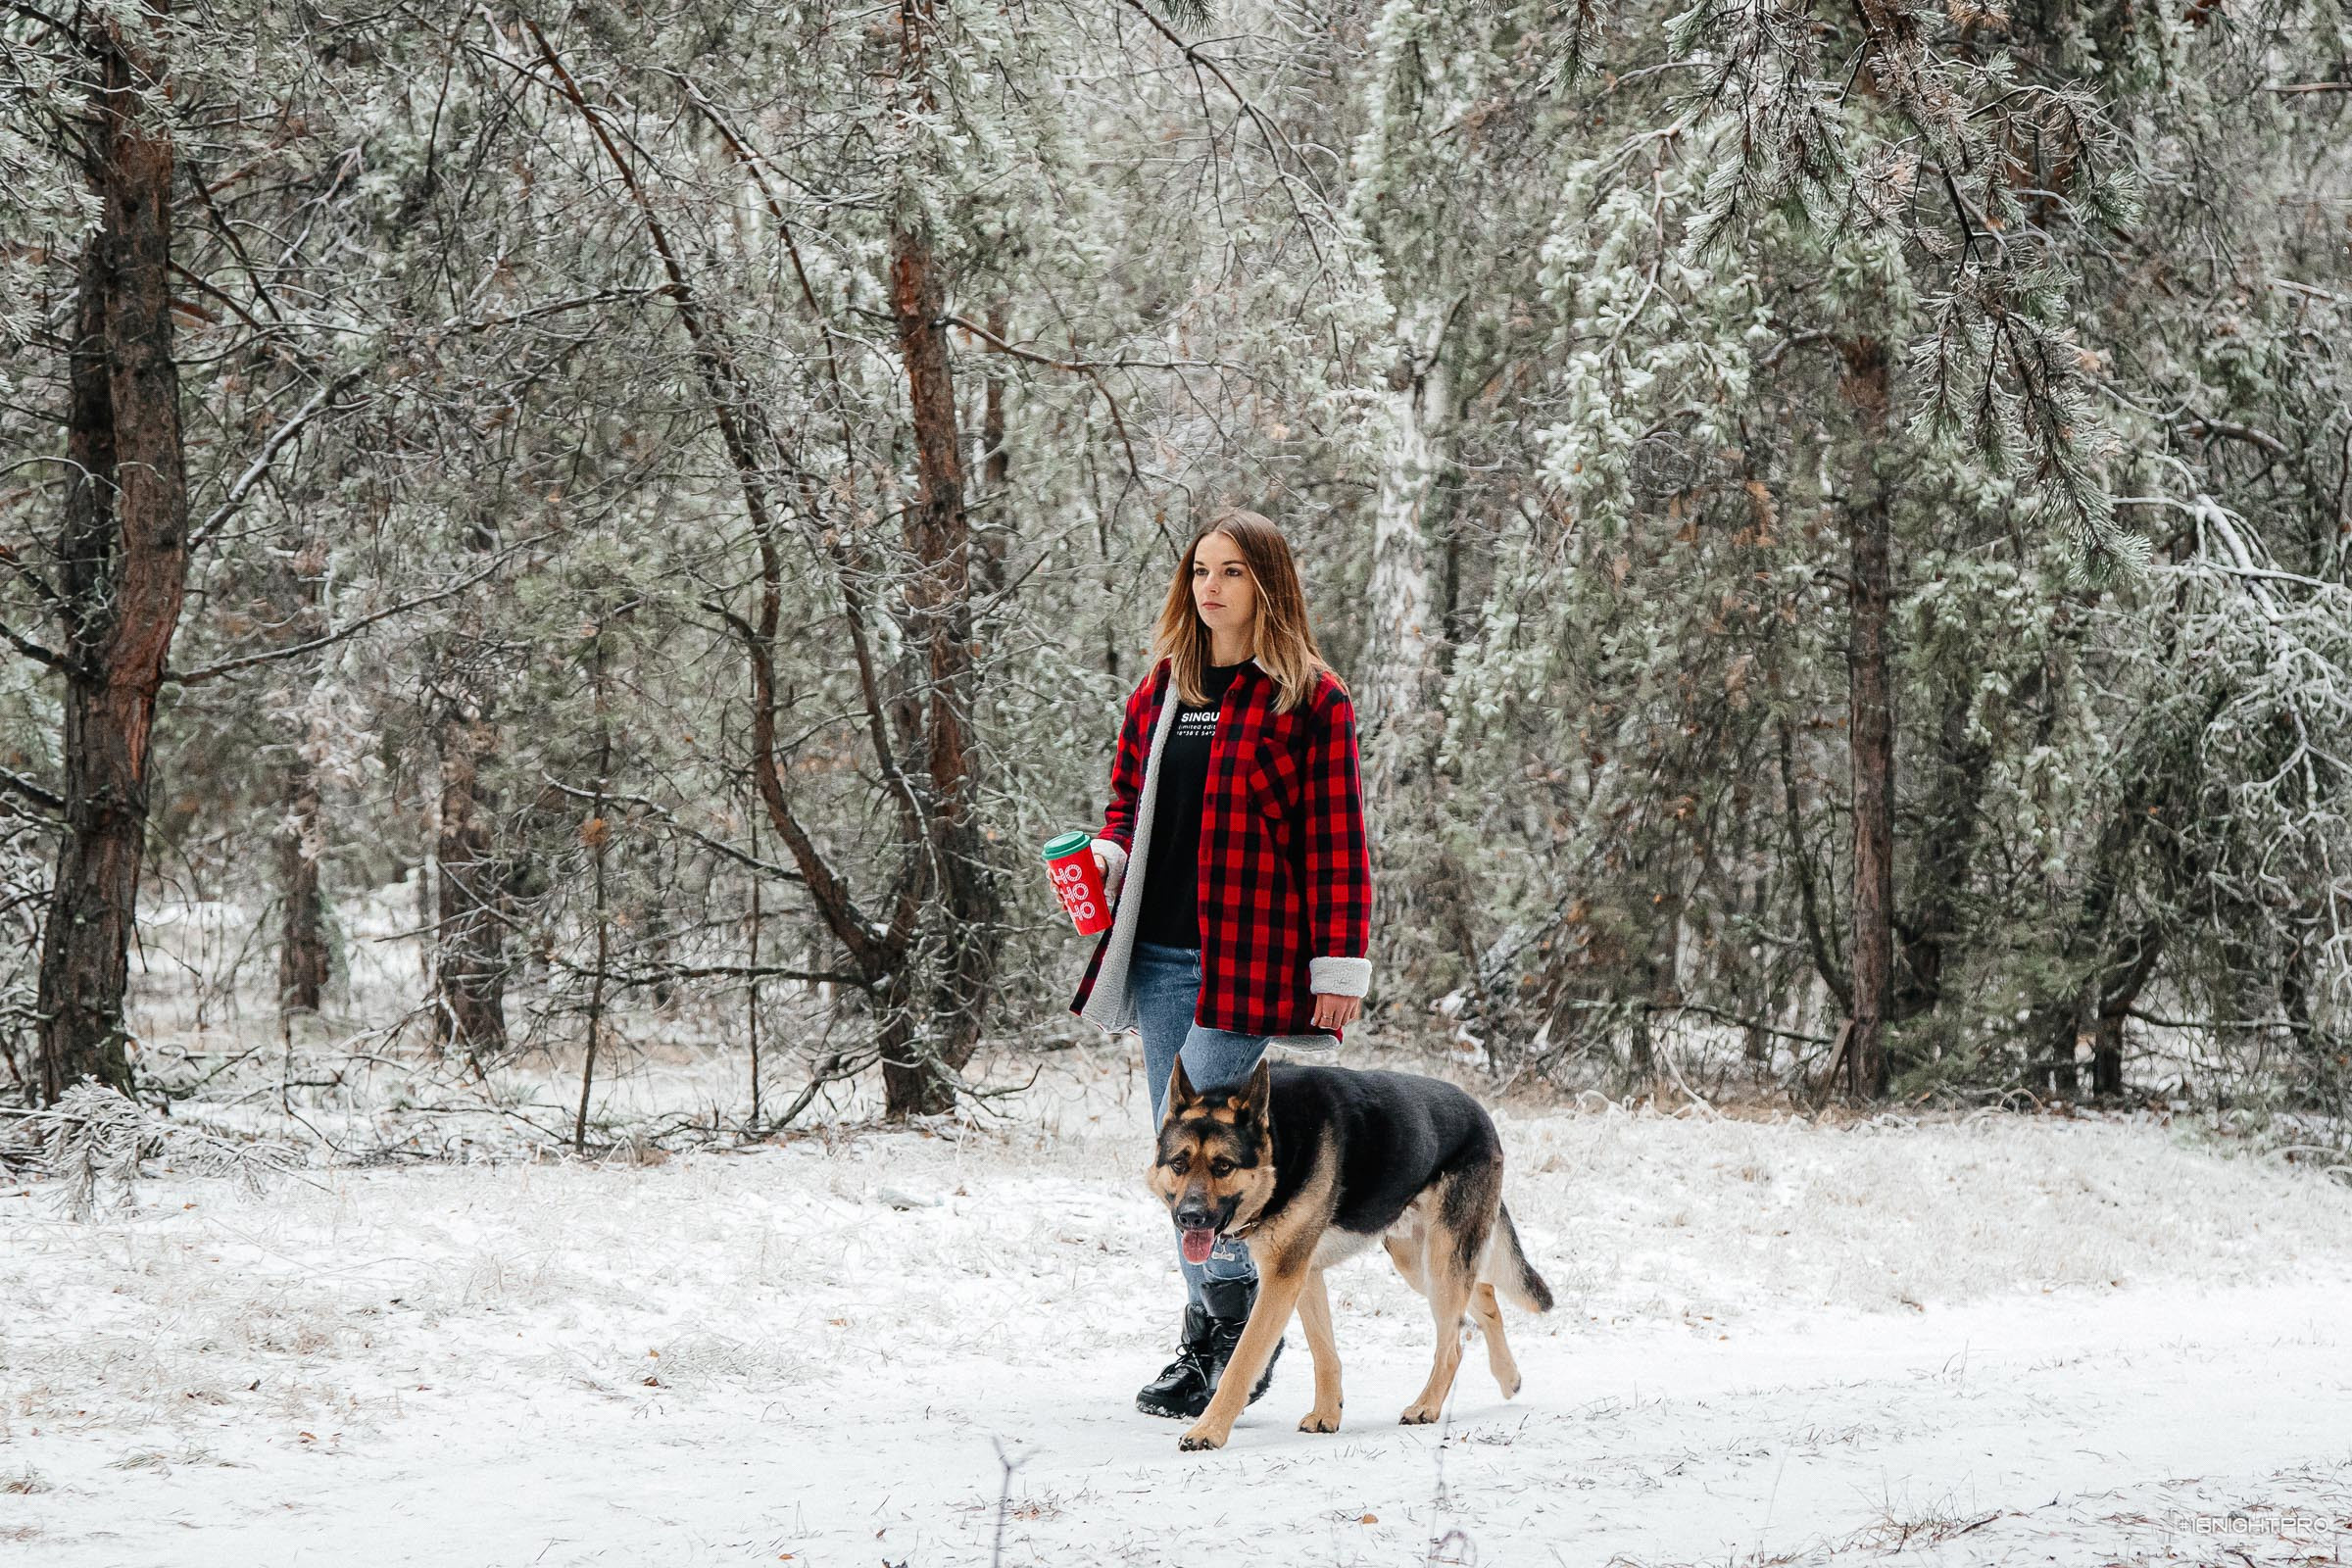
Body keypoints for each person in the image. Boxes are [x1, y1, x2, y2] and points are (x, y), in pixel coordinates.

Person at [1066, 509, 1375, 1420]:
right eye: (1201, 570)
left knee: (1218, 1146)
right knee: (1180, 1151)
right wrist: (1106, 856)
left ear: (1268, 584)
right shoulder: (1163, 689)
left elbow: (1336, 842)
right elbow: (1127, 805)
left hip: (1249, 956)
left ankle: (1235, 1343)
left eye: (1233, 571)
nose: (1211, 587)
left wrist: (1339, 967)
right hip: (1160, 954)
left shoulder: (1311, 699)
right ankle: (1213, 1333)